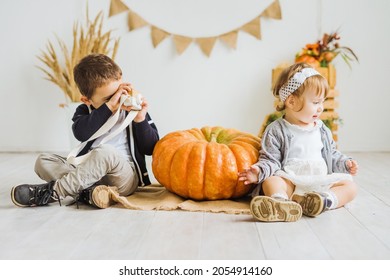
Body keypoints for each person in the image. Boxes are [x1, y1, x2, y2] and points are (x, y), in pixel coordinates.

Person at [11, 53, 159, 209]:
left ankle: (55, 192)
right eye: (109, 98)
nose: (118, 99)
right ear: (87, 100)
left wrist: (139, 119)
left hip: (124, 177)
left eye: (119, 92)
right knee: (43, 161)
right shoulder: (85, 110)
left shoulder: (132, 110)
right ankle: (91, 193)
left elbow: (150, 148)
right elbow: (81, 133)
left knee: (105, 152)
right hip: (89, 175)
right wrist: (108, 108)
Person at [238, 62, 358, 222]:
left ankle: (323, 201)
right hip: (291, 182)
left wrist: (345, 163)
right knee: (271, 181)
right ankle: (280, 202)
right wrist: (259, 172)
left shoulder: (322, 130)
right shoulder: (276, 130)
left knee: (350, 187)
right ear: (292, 102)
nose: (320, 108)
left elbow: (332, 155)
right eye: (315, 102)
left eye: (322, 102)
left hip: (319, 182)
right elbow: (270, 160)